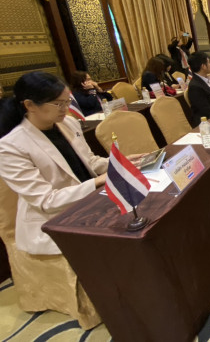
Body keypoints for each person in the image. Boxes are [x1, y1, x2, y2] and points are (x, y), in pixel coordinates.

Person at [0, 72, 140, 255]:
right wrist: (98, 181)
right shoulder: (10, 147)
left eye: (67, 101)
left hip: (92, 202)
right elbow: (46, 201)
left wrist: (119, 162)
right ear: (30, 105)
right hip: (54, 221)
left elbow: (90, 161)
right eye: (58, 104)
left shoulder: (68, 124)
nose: (65, 109)